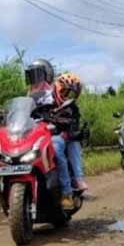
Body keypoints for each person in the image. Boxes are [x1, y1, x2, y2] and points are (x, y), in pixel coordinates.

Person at [51, 72, 88, 208]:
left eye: (71, 93)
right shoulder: (46, 100)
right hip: (40, 135)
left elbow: (74, 124)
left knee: (57, 146)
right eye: (65, 91)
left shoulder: (72, 107)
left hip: (59, 137)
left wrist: (67, 132)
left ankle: (67, 191)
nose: (67, 95)